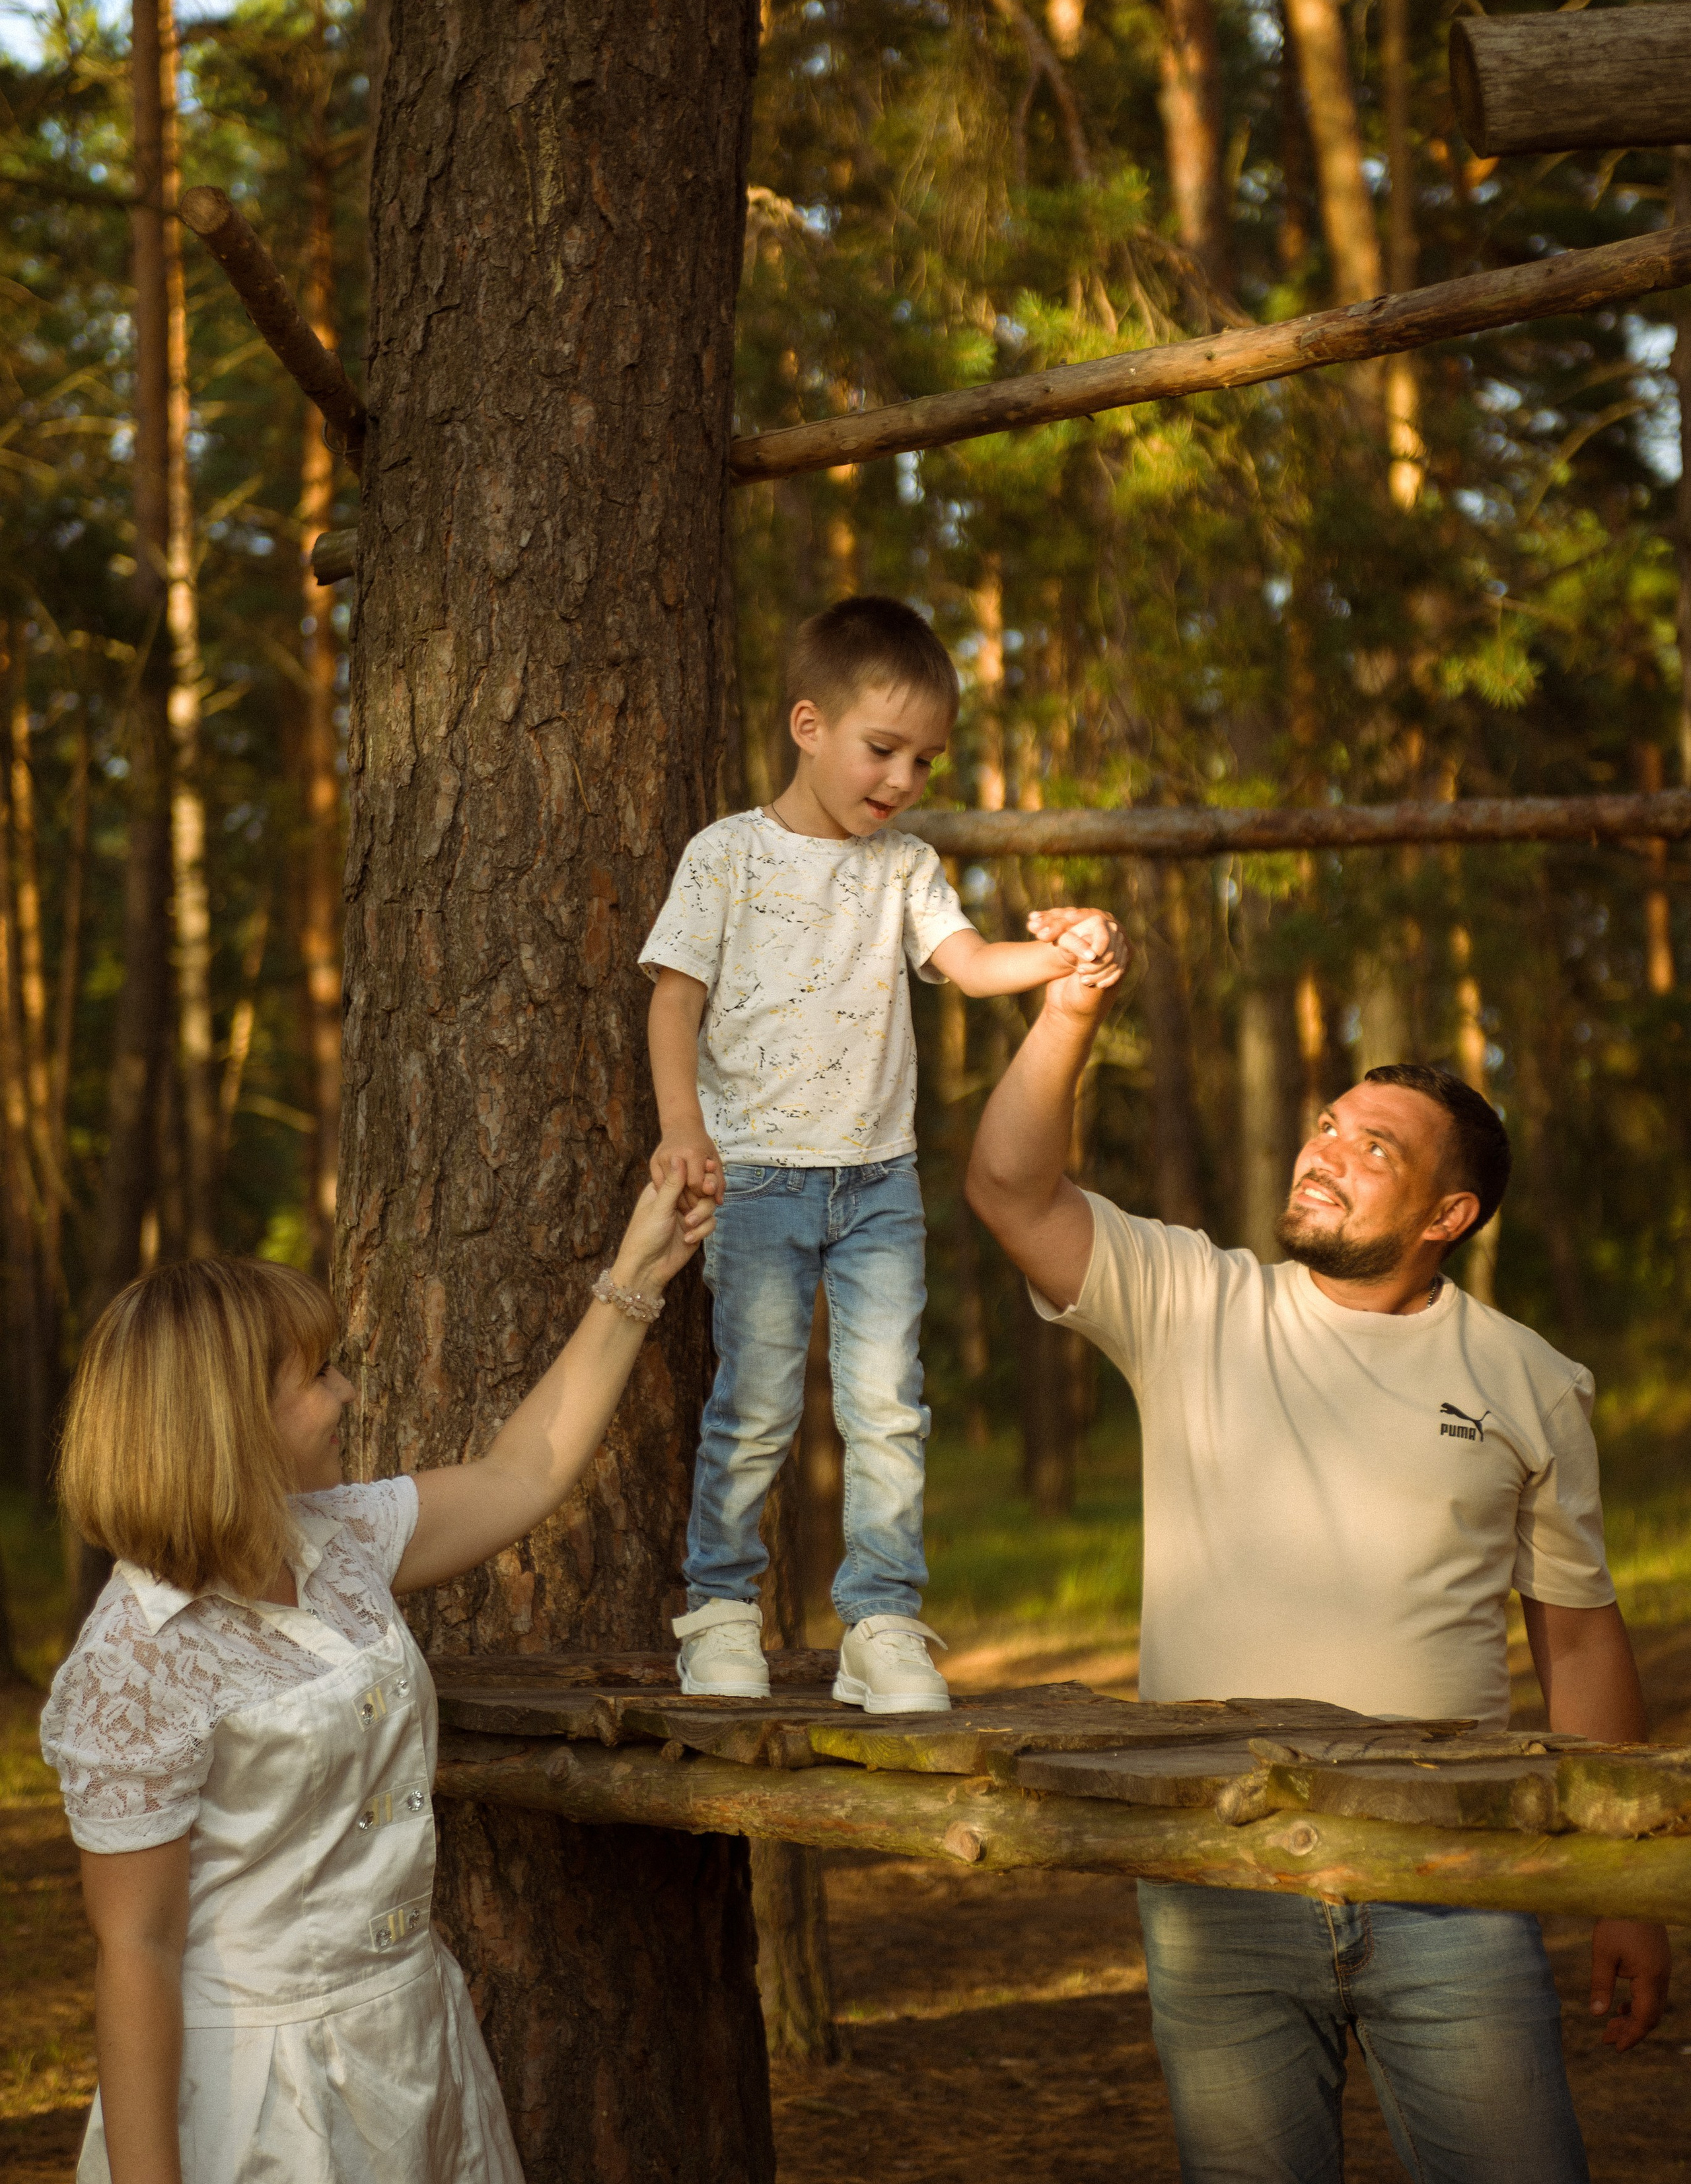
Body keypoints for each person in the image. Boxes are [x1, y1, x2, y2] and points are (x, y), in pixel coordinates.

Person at [965, 954, 1669, 2184]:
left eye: (1374, 1149)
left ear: (1448, 1217)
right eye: (1327, 1126)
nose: (1323, 1151)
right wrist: (1070, 1012)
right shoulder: (1194, 1302)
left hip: (1452, 1877)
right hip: (1217, 1873)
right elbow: (1011, 1187)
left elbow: (1580, 1637)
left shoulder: (1532, 1381)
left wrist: (1625, 1883)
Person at [40, 1165, 712, 2184]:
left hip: (413, 2044)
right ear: (227, 1424)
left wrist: (637, 1273)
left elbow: (517, 1473)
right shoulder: (135, 1660)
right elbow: (137, 1953)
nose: (344, 1392)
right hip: (258, 2102)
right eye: (314, 1379)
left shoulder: (334, 1540)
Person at [639, 593, 1126, 1711]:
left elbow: (966, 962)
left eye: (925, 761)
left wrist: (1067, 954)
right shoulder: (726, 856)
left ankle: (884, 1622)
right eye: (883, 750)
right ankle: (718, 1615)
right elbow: (674, 1003)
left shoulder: (904, 867)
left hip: (878, 1185)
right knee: (755, 1404)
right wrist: (684, 1132)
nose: (903, 781)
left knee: (889, 1410)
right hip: (757, 1175)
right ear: (809, 725)